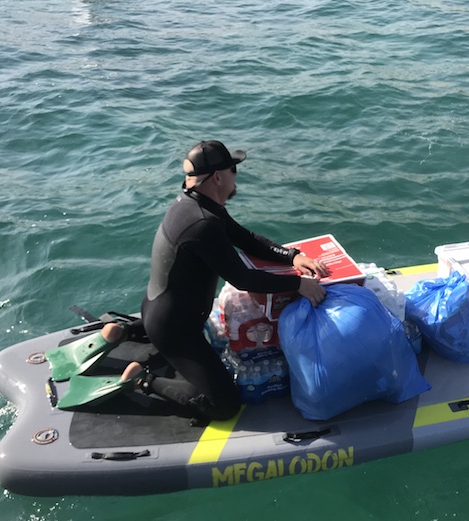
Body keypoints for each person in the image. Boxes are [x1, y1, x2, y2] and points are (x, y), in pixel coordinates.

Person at [115, 140, 330, 421]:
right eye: (233, 169)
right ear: (218, 177)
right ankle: (142, 380)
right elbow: (243, 278)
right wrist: (298, 284)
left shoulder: (195, 204)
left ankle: (127, 330)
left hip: (160, 309)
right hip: (177, 330)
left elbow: (245, 239)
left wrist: (292, 257)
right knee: (224, 404)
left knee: (171, 317)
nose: (236, 175)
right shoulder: (203, 223)